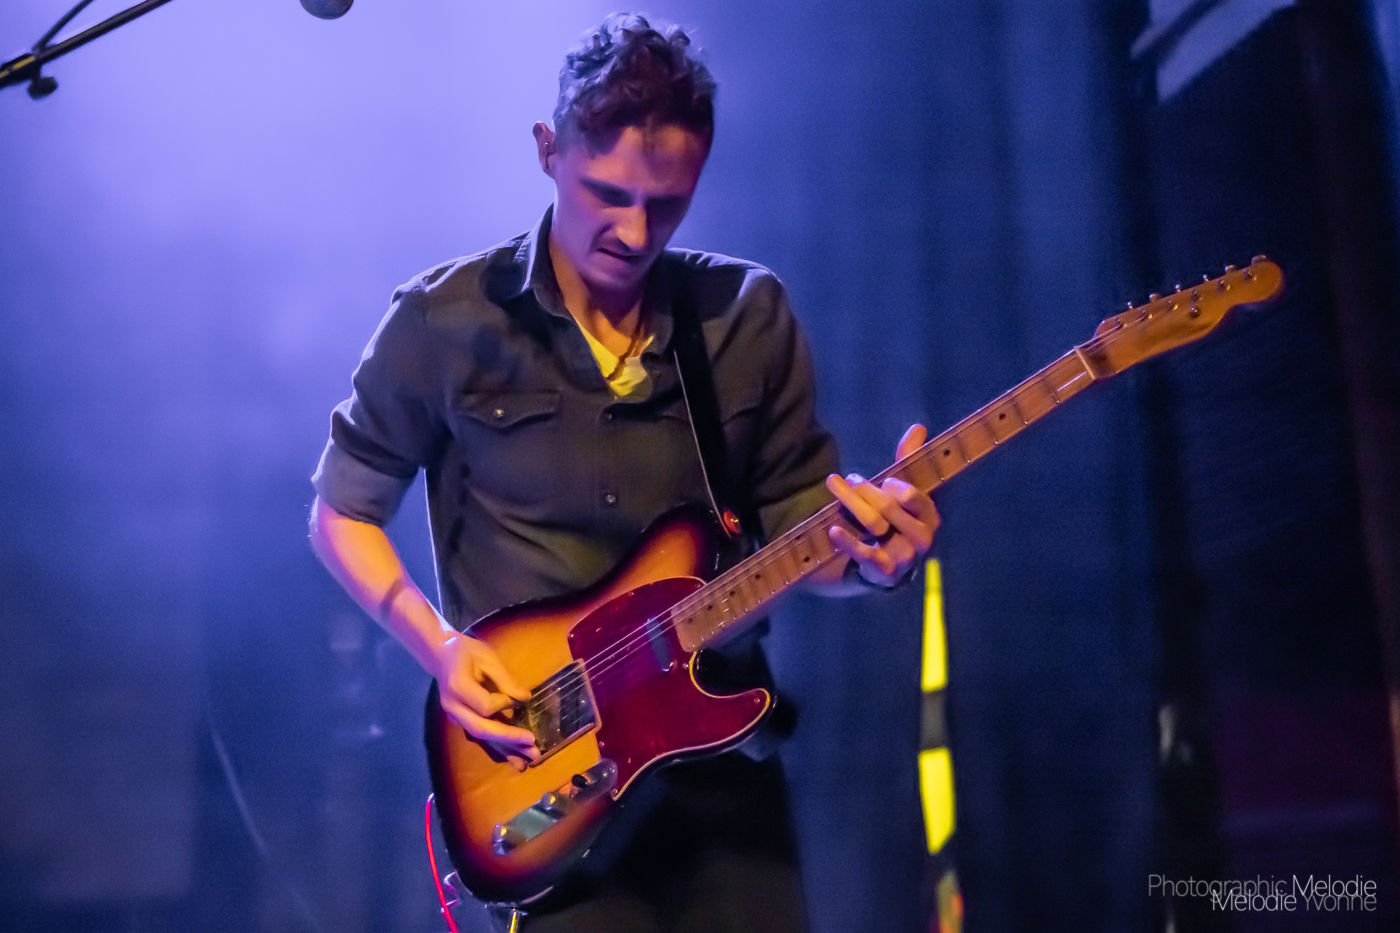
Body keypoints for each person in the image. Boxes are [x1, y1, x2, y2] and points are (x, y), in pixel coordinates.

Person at [308, 14, 938, 932]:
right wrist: (439, 648)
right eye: (607, 194)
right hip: (545, 780)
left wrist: (878, 558)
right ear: (547, 150)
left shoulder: (745, 315)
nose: (634, 232)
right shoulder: (444, 320)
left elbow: (809, 531)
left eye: (667, 205)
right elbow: (341, 511)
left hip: (721, 775)